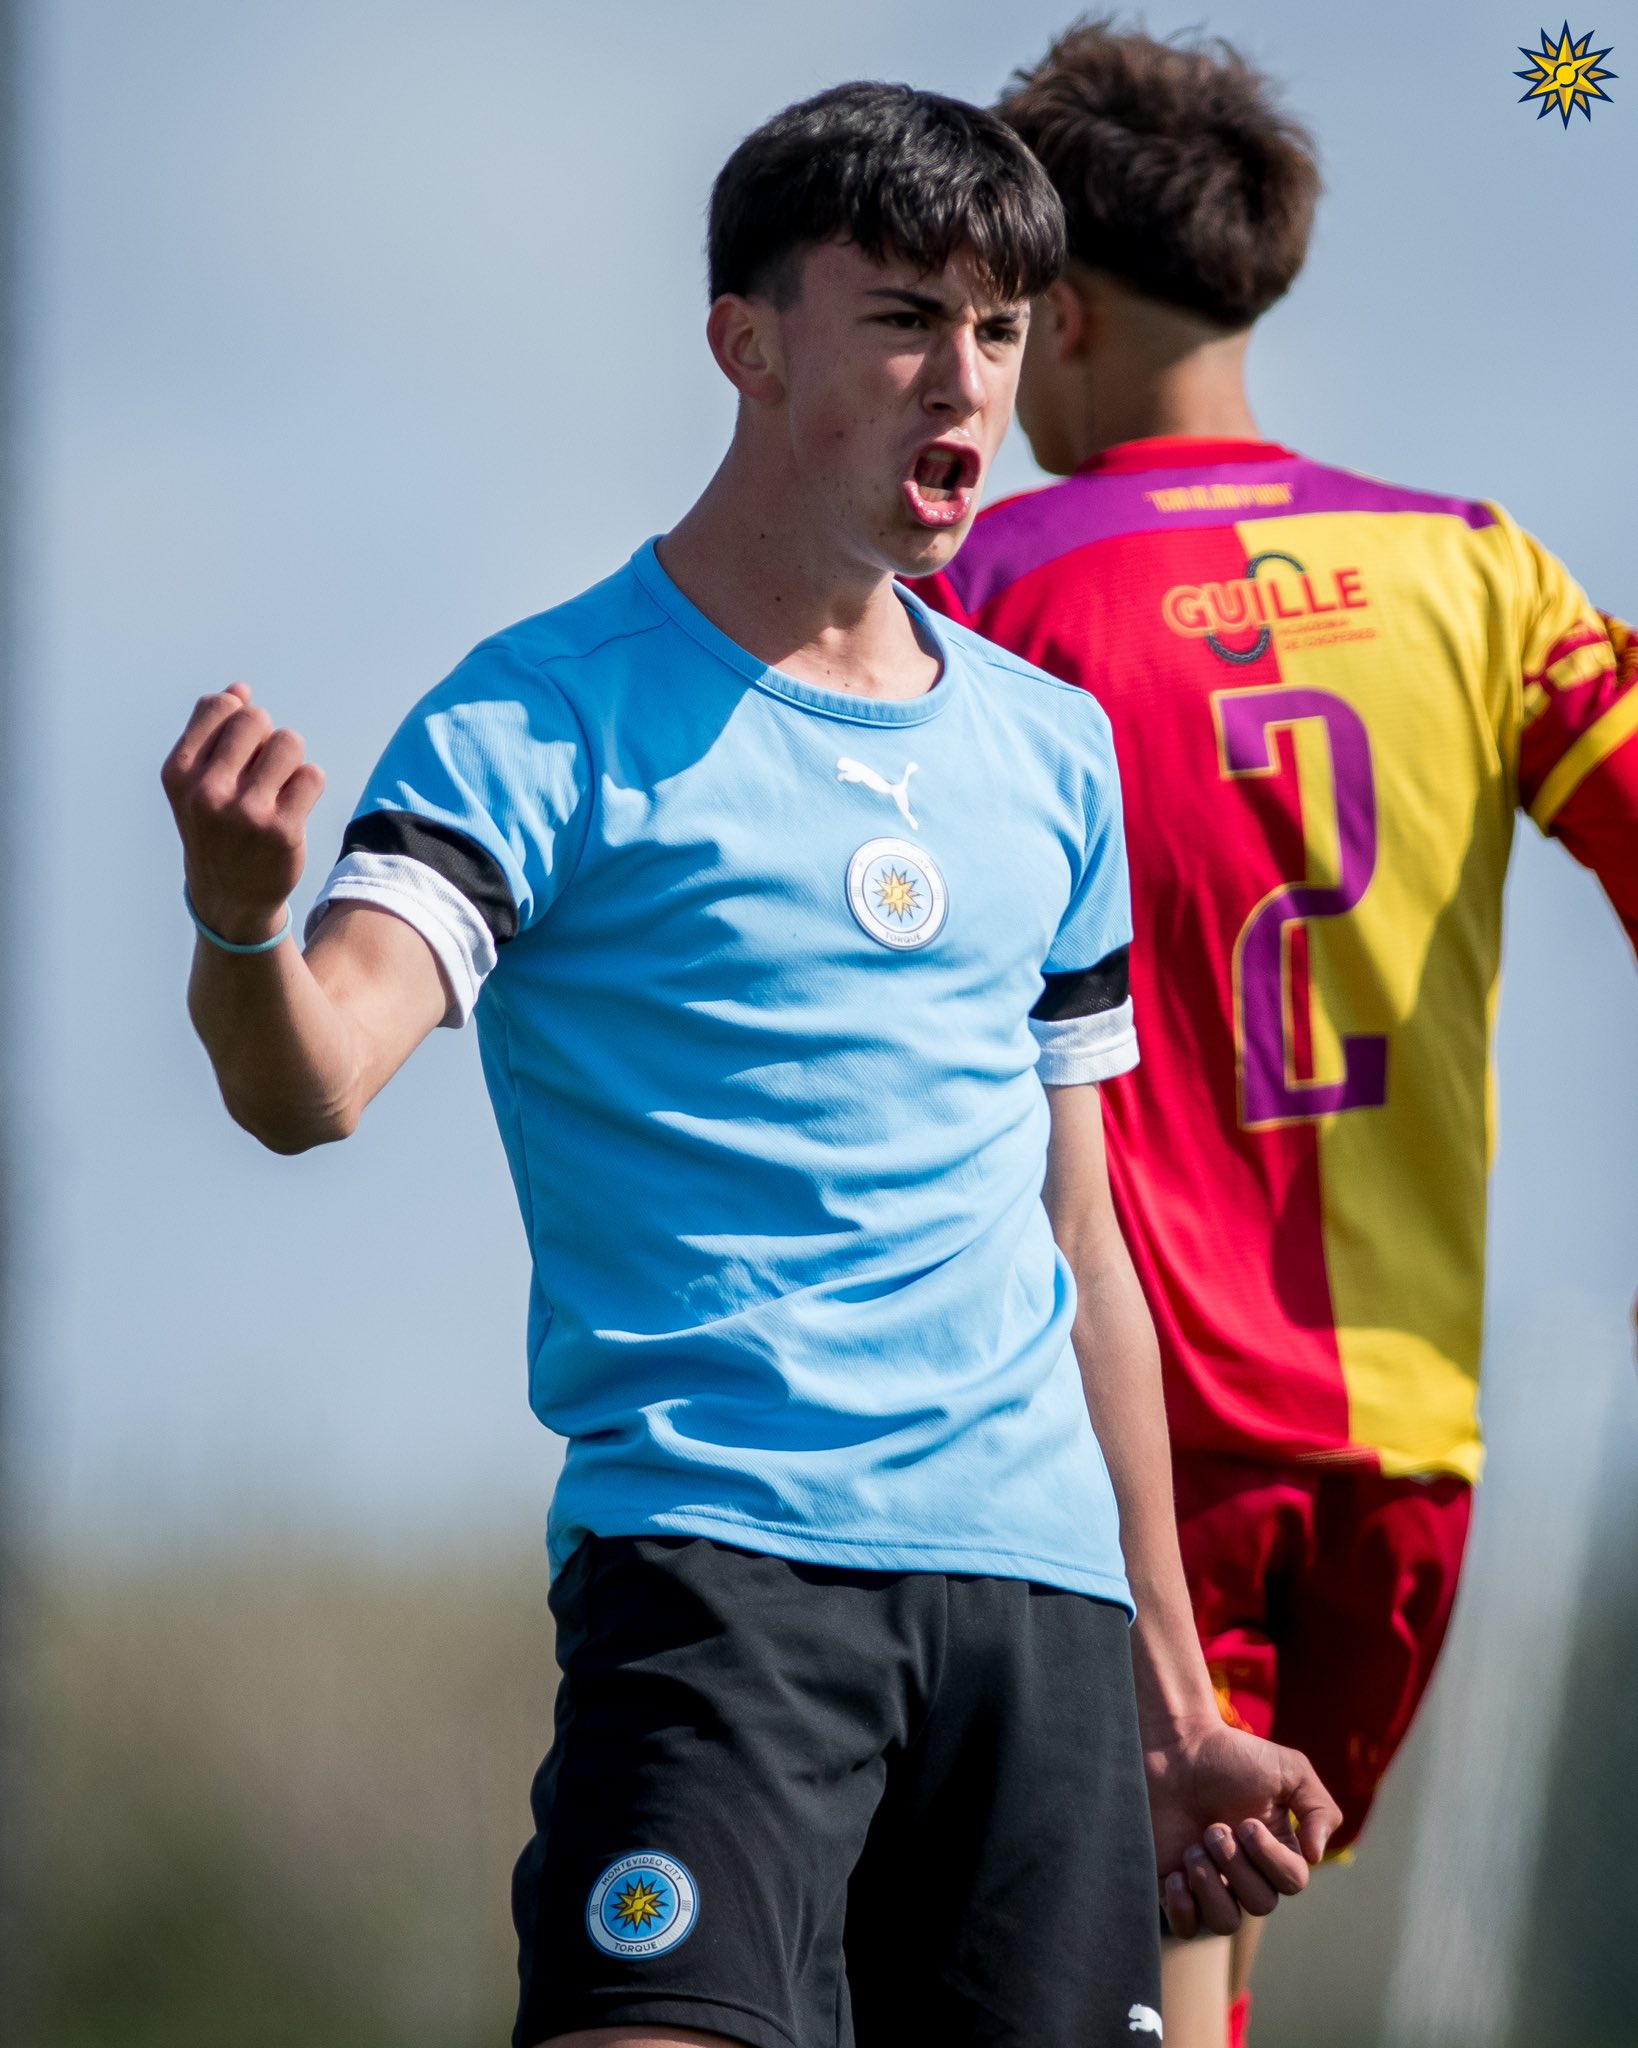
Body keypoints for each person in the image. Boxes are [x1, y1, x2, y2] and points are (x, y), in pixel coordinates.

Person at [160, 81, 1338, 2048]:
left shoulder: (1052, 755)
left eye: (998, 327)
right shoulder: (534, 716)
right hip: (724, 1587)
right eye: (900, 320)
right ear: (747, 339)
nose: (962, 381)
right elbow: (311, 1079)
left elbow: (1084, 1240)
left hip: (1037, 1618)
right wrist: (235, 923)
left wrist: (1181, 1702)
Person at [912, 23, 1638, 2048]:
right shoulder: (1480, 570)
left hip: (1127, 1440)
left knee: (1100, 1972)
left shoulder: (988, 591)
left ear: (1052, 316)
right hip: (1408, 1451)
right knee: (1198, 1951)